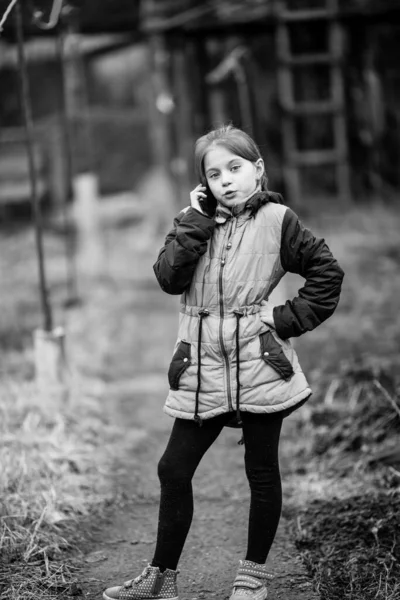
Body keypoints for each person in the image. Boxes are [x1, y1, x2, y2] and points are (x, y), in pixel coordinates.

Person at [103, 125, 344, 600]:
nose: (225, 181)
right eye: (214, 174)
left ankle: (251, 579)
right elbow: (169, 279)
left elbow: (327, 274)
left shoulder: (278, 220)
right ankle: (160, 580)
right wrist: (195, 221)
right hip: (202, 365)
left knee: (261, 471)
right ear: (203, 183)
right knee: (173, 469)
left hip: (259, 360)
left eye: (234, 168)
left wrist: (283, 318)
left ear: (256, 170)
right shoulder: (191, 219)